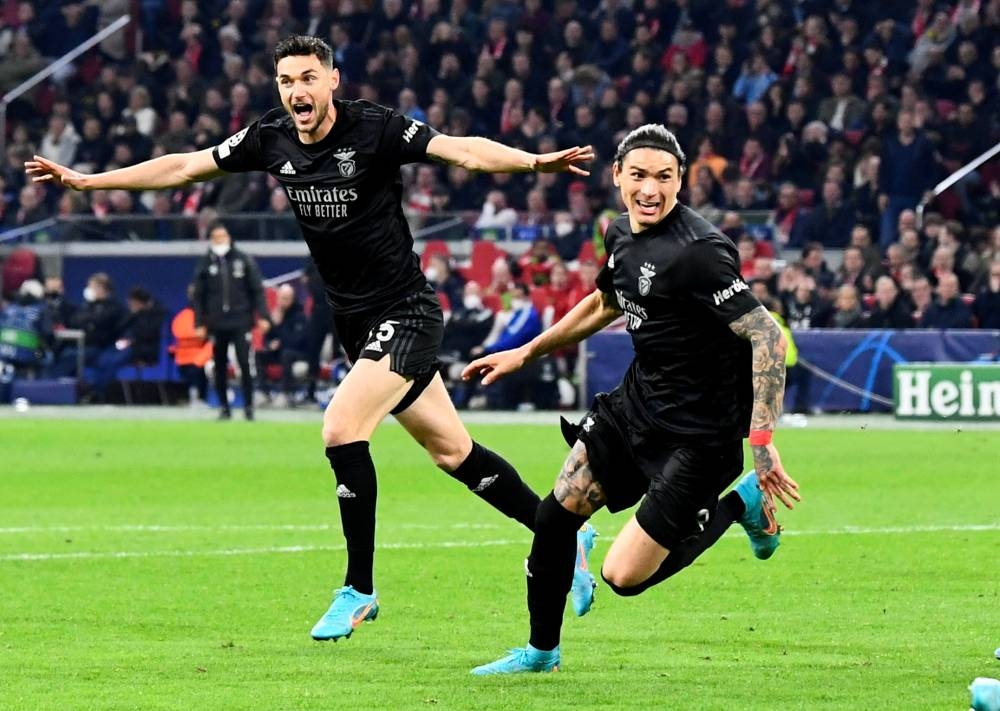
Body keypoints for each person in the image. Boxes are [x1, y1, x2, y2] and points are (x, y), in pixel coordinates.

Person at [26, 35, 596, 643]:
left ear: (332, 80)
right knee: (452, 452)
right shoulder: (269, 137)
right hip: (354, 322)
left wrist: (532, 162)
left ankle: (359, 589)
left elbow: (459, 152)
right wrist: (90, 183)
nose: (296, 91)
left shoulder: (375, 129)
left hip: (406, 312)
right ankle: (562, 531)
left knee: (340, 428)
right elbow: (185, 165)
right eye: (285, 81)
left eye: (306, 78)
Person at [462, 124, 800, 675]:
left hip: (699, 436)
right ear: (617, 176)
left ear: (680, 181)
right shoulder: (618, 233)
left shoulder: (702, 253)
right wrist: (527, 352)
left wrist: (761, 443)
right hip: (636, 408)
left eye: (664, 178)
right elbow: (603, 304)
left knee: (622, 578)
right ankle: (542, 652)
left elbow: (766, 336)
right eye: (638, 175)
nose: (650, 189)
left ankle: (741, 503)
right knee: (554, 518)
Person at [191, 221, 270, 421]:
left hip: (240, 320)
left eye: (223, 237)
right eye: (216, 238)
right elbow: (198, 296)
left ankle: (249, 406)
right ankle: (224, 407)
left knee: (244, 363)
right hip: (217, 323)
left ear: (229, 238)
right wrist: (199, 323)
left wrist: (263, 316)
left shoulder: (242, 260)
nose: (220, 241)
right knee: (219, 365)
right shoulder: (205, 263)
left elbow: (257, 290)